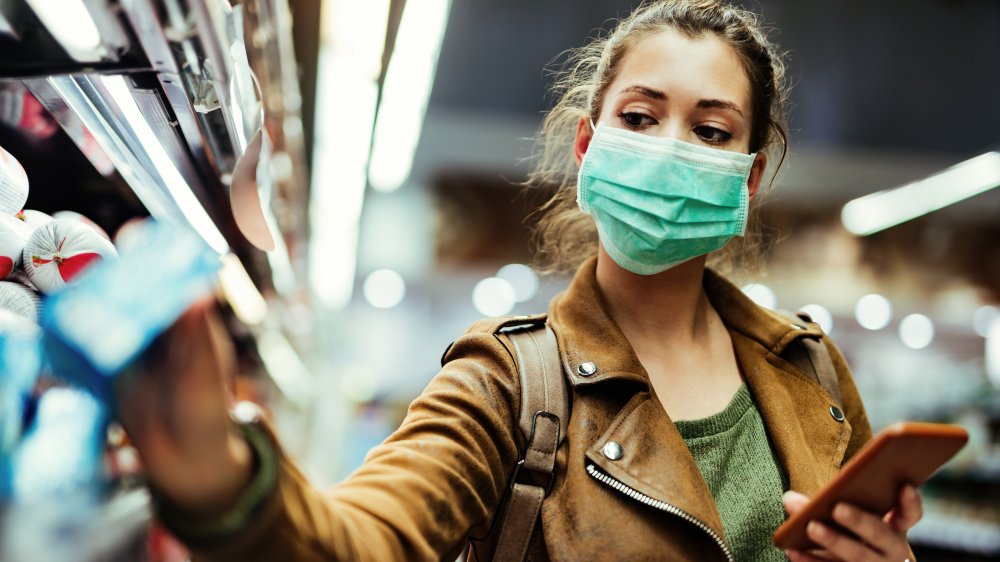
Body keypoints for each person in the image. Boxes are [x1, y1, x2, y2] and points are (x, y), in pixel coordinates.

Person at [117, 1, 924, 561]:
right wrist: (226, 482)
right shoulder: (509, 383)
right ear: (586, 147)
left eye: (710, 131)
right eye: (639, 119)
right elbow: (366, 539)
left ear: (746, 181)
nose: (671, 148)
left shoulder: (810, 371)